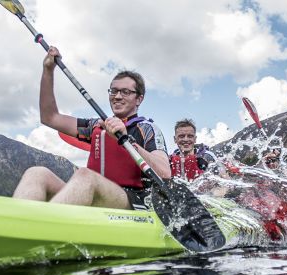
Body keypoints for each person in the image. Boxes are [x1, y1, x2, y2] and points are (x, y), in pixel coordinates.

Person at [13, 46, 171, 211]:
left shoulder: (147, 129)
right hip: (94, 193)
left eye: (125, 92)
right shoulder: (96, 125)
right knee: (37, 173)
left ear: (139, 99)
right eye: (114, 91)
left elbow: (165, 173)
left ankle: (45, 226)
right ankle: (18, 224)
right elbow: (50, 117)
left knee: (85, 176)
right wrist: (48, 70)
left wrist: (127, 141)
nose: (117, 96)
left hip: (134, 201)